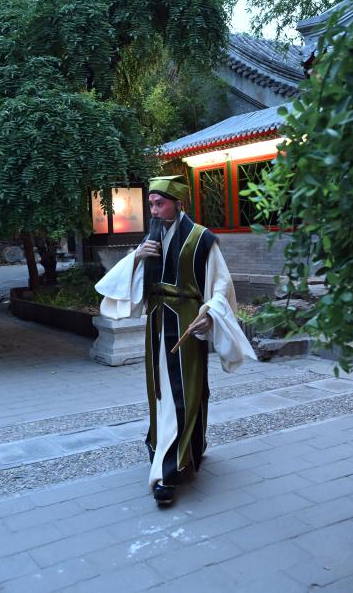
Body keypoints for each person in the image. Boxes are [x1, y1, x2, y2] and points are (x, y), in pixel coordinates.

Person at [95, 175, 256, 506]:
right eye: (151, 204)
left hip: (186, 322)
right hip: (157, 321)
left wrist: (210, 313)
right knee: (160, 392)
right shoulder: (151, 237)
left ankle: (167, 472)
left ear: (178, 203)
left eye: (160, 203)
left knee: (185, 391)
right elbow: (131, 282)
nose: (153, 210)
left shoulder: (202, 238)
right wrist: (137, 257)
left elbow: (221, 284)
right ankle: (179, 449)